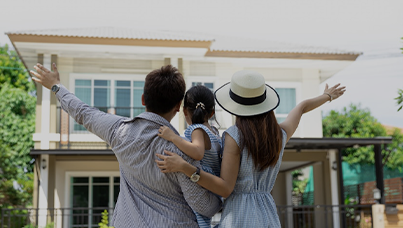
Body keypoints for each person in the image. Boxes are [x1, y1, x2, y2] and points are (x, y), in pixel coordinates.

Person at [30, 63, 222, 228]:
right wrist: (221, 200)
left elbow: (83, 112)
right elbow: (204, 206)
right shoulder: (181, 152)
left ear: (143, 99)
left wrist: (55, 86)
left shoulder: (118, 131)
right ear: (178, 107)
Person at [155, 70, 346, 227]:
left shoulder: (234, 136)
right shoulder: (279, 135)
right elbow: (302, 107)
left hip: (239, 217)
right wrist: (327, 96)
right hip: (268, 216)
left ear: (236, 106)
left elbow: (225, 188)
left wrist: (185, 168)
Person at [158, 85, 222, 228]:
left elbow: (197, 152)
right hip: (214, 189)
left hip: (203, 187)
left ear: (184, 110)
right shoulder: (216, 133)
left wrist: (173, 137)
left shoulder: (196, 129)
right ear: (212, 113)